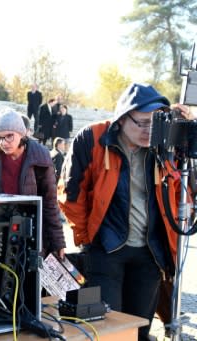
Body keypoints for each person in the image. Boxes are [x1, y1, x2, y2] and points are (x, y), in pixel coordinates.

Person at [57, 83, 192, 340]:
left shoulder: (164, 143)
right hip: (105, 249)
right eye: (141, 123)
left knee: (139, 328)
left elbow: (181, 193)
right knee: (107, 328)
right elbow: (70, 194)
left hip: (150, 252)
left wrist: (183, 140)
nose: (148, 130)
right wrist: (88, 237)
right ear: (122, 118)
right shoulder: (92, 138)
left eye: (154, 122)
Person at [0, 109, 66, 258]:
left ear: (21, 134)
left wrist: (58, 242)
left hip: (31, 230)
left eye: (9, 136)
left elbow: (50, 202)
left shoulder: (41, 156)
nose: (4, 142)